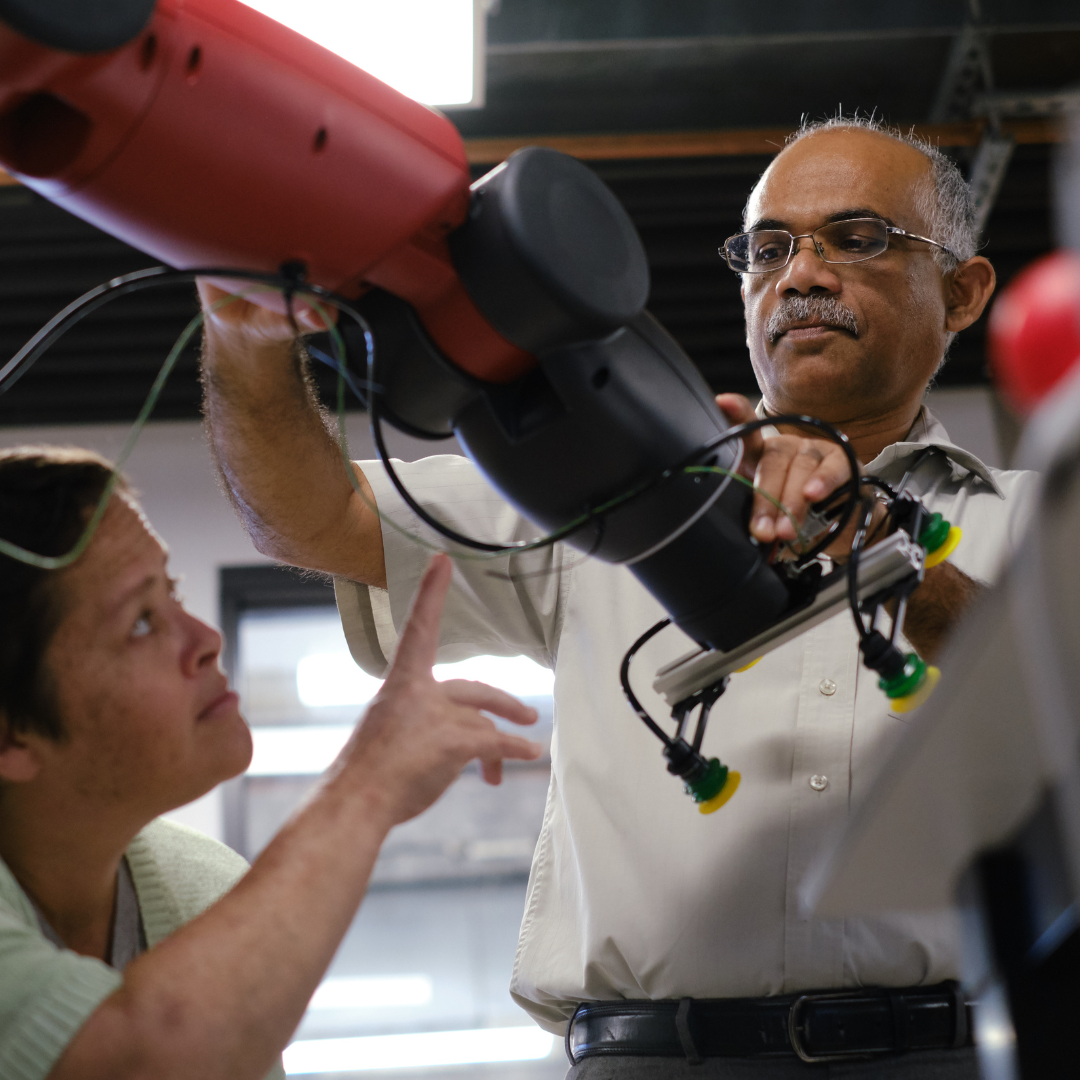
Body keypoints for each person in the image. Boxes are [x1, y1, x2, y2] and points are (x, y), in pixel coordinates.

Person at [197, 116, 1038, 1078]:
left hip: (950, 1055)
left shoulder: (1041, 519)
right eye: (770, 249)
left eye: (857, 239)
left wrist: (886, 555)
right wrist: (244, 340)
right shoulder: (609, 484)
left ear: (964, 293)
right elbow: (310, 521)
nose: (801, 275)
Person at [0, 446, 541, 1080]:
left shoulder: (204, 886)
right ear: (12, 738)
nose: (206, 640)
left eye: (171, 592)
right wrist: (367, 785)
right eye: (143, 623)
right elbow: (137, 1059)